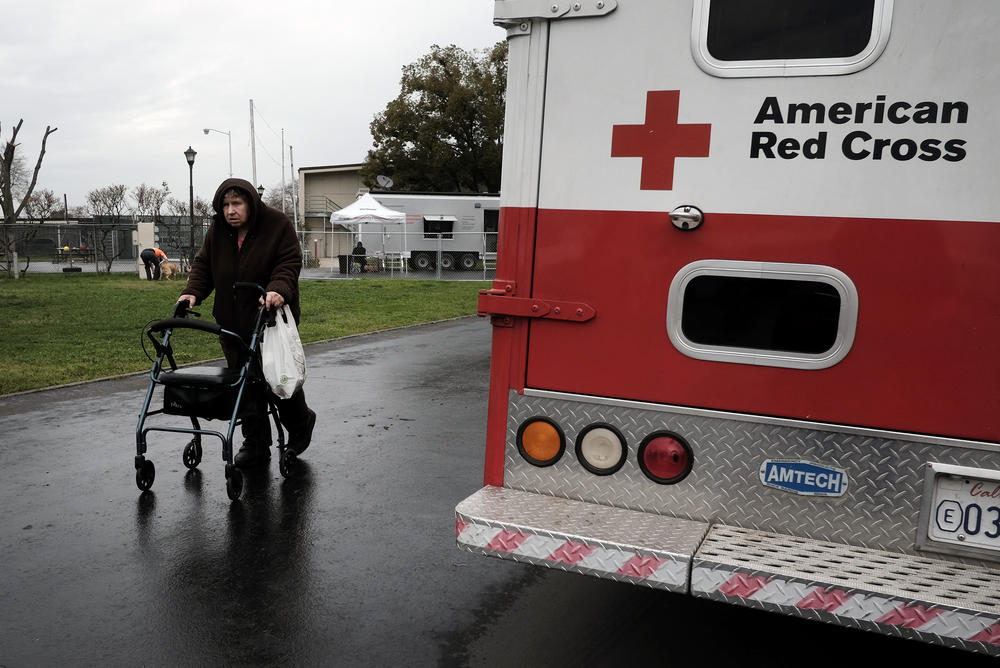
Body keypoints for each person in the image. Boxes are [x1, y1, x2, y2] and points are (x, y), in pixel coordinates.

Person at [178, 178, 316, 468]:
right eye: (226, 205)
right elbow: (204, 265)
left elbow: (289, 261)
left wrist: (278, 288)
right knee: (243, 384)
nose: (230, 210)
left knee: (276, 378)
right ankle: (255, 444)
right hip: (232, 321)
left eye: (236, 203)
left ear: (250, 204)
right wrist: (191, 293)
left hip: (270, 318)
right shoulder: (217, 231)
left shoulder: (277, 224)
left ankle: (301, 423)